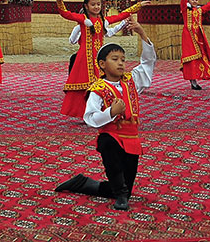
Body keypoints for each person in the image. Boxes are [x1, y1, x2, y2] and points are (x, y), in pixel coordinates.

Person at [54, 20, 156, 211]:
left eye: (123, 59)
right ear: (102, 64)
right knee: (112, 158)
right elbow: (90, 117)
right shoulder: (98, 89)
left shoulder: (131, 81)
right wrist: (111, 112)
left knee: (124, 186)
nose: (120, 63)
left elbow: (148, 63)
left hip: (131, 138)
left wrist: (143, 35)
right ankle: (121, 196)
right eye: (115, 59)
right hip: (111, 137)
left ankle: (83, 184)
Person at [55, 0, 147, 117]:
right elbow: (66, 14)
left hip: (100, 58)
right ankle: (84, 113)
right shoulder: (83, 19)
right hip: (85, 58)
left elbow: (120, 15)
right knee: (84, 87)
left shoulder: (103, 21)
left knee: (104, 84)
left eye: (98, 4)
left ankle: (104, 111)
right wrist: (59, 0)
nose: (96, 7)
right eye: (93, 4)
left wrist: (137, 6)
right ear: (86, 6)